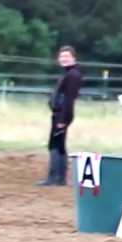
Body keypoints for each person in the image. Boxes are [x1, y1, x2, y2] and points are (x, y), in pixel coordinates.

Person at [37, 46, 83, 186]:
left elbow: (69, 99)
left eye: (66, 56)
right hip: (60, 114)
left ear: (73, 58)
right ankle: (60, 177)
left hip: (61, 115)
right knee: (59, 145)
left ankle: (54, 177)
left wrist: (63, 119)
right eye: (61, 56)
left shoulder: (72, 75)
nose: (63, 59)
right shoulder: (69, 74)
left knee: (55, 145)